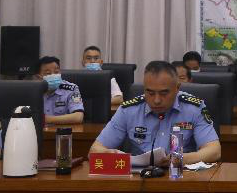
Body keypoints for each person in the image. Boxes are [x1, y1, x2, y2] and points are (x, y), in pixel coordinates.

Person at [90, 61, 221, 164]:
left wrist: (181, 158)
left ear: (177, 88)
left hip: (180, 177)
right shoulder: (128, 110)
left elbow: (214, 151)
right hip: (138, 178)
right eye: (150, 93)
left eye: (164, 93)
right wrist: (108, 154)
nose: (156, 100)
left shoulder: (194, 108)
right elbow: (94, 150)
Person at [34, 56, 84, 125]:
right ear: (38, 77)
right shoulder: (32, 91)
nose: (53, 75)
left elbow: (78, 117)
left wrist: (46, 119)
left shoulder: (71, 89)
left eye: (56, 72)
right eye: (48, 73)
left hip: (63, 130)